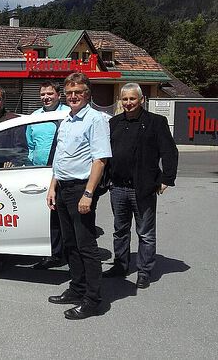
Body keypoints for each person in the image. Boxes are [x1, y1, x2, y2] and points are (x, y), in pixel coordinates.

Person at [46, 72, 111, 320]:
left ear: (87, 94)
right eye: (70, 92)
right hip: (63, 188)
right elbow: (60, 158)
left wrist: (88, 193)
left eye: (78, 92)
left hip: (81, 189)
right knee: (70, 244)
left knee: (86, 246)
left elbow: (100, 159)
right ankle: (77, 288)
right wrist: (53, 186)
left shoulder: (95, 120)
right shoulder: (67, 119)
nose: (73, 96)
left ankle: (93, 300)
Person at [103, 83, 178, 289]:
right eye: (124, 99)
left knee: (145, 232)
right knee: (120, 230)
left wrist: (166, 179)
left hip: (143, 188)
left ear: (141, 100)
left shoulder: (156, 122)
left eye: (132, 99)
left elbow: (169, 152)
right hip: (117, 187)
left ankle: (144, 271)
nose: (128, 103)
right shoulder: (114, 123)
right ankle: (121, 265)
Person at [27, 81, 70, 270]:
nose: (46, 97)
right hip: (39, 171)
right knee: (45, 214)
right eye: (43, 94)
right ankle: (51, 252)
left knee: (62, 215)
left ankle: (64, 252)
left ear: (58, 95)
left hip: (63, 172)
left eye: (50, 94)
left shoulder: (67, 114)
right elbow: (29, 145)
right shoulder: (34, 117)